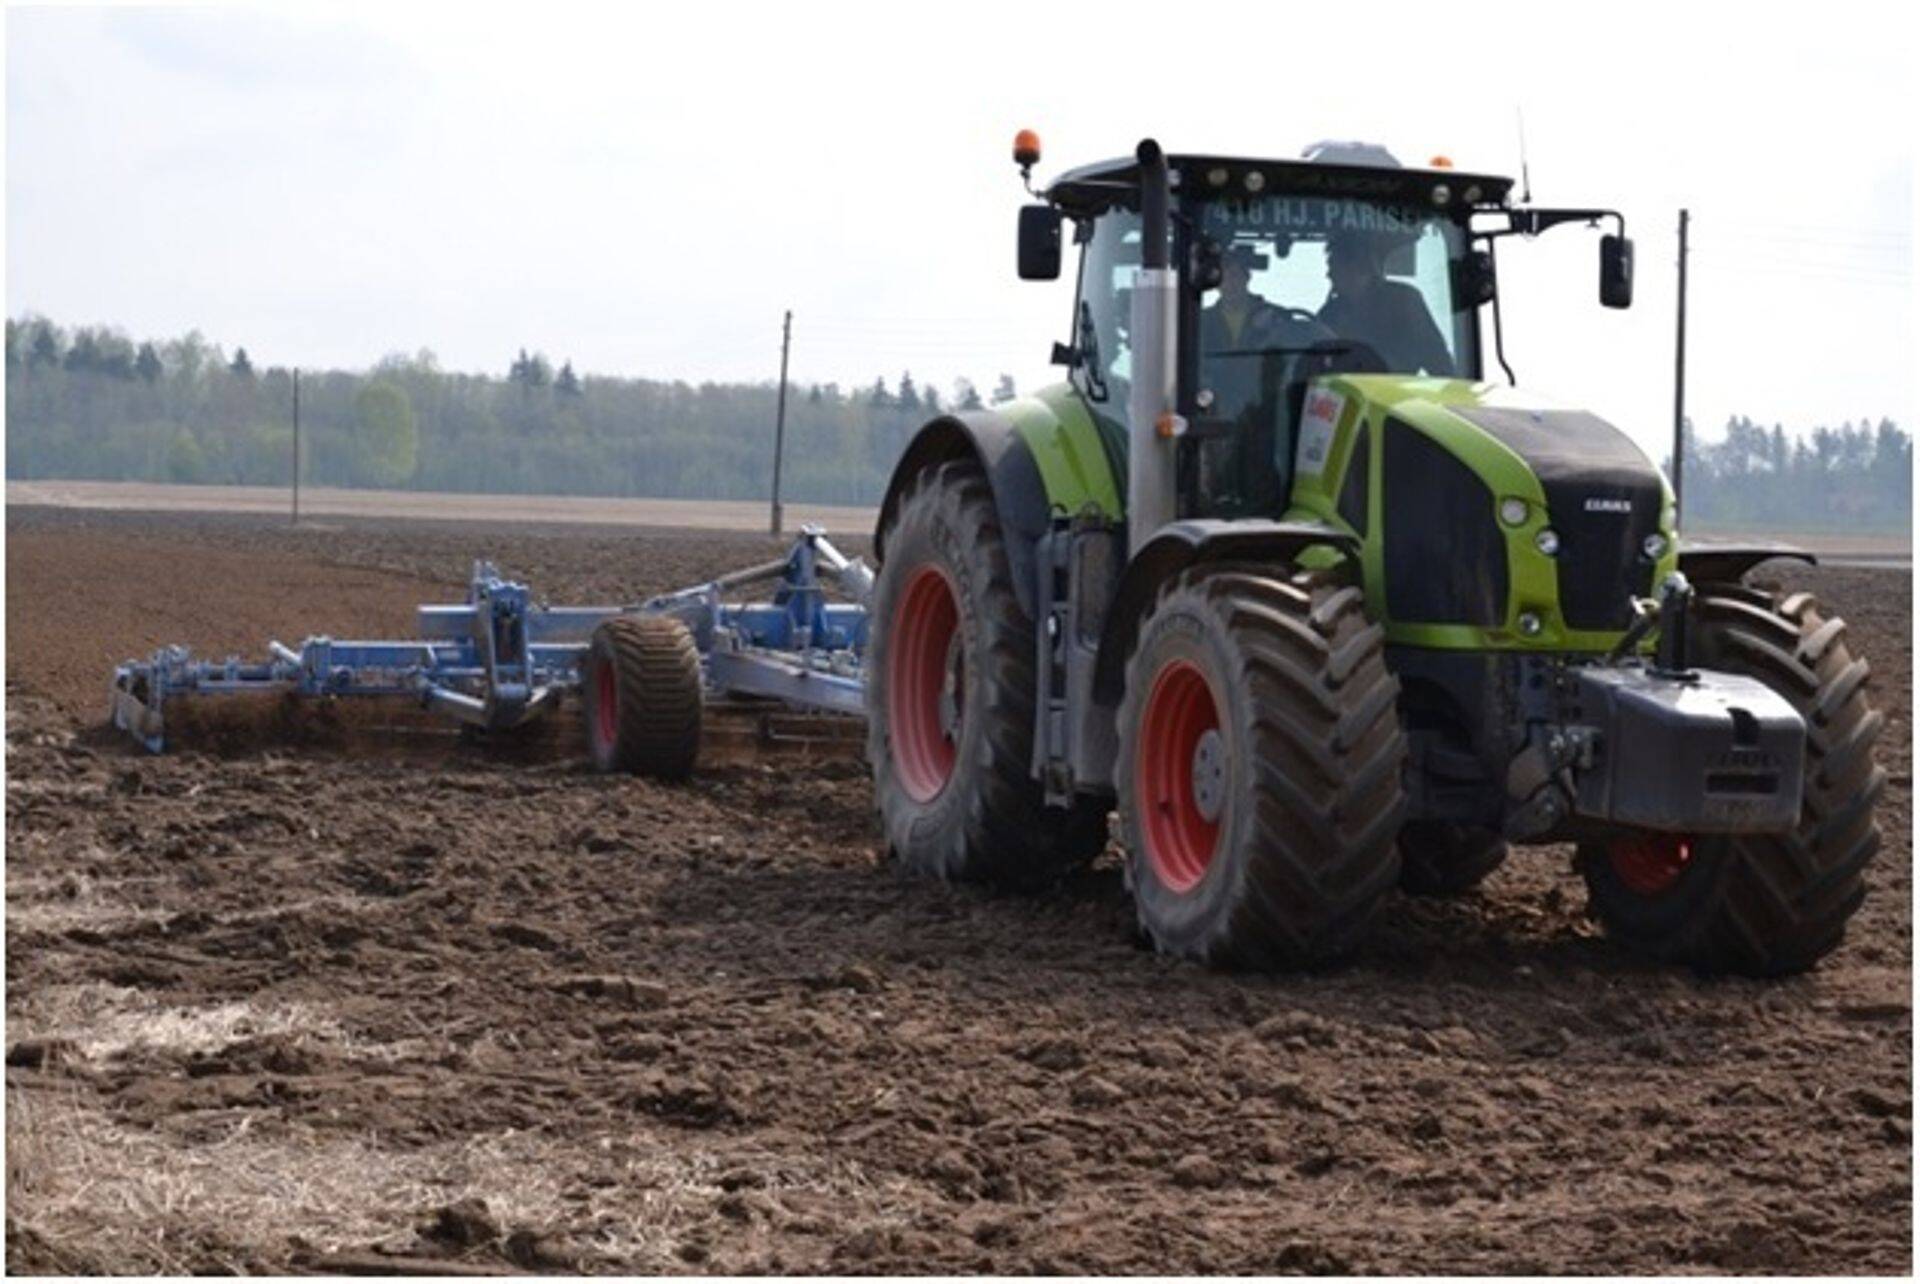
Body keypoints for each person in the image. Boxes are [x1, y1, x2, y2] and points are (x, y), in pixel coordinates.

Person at [1317, 232, 1456, 376]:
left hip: (1395, 395)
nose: (1329, 274)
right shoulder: (1330, 314)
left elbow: (1438, 361)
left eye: (1334, 266)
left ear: (1359, 268)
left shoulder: (1404, 302)